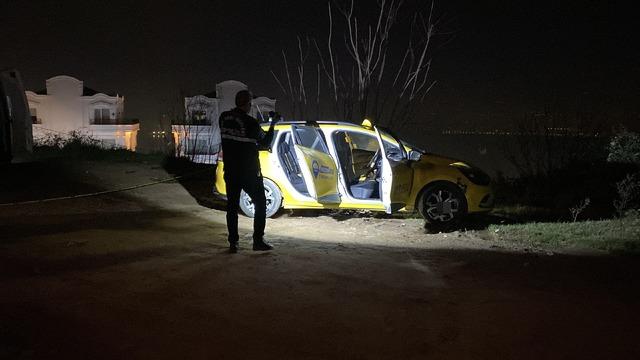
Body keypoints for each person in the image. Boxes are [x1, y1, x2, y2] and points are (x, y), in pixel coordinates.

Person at [219, 90, 278, 253]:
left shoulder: (223, 118)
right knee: (260, 203)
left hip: (231, 170)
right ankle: (257, 241)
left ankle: (233, 243)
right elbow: (265, 142)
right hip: (249, 172)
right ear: (248, 104)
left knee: (232, 207)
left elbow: (240, 141)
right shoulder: (251, 122)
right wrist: (273, 123)